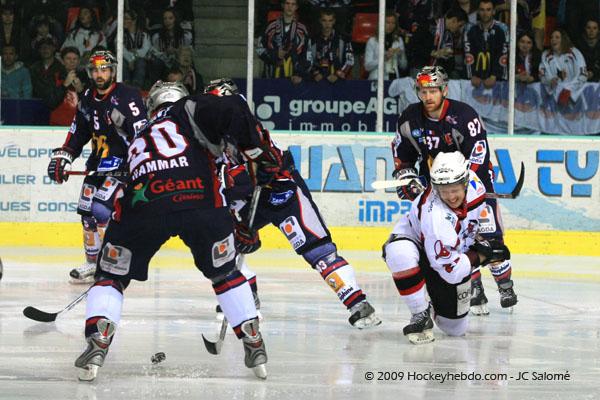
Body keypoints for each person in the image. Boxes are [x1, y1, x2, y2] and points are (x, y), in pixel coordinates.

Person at [71, 80, 276, 381]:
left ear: (152, 106)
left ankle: (99, 337)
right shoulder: (190, 108)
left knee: (111, 276)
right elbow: (232, 108)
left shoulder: (140, 135)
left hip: (145, 205)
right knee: (225, 273)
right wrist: (260, 153)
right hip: (199, 202)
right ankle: (252, 337)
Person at [204, 78, 382, 329]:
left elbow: (271, 161)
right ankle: (244, 296)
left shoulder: (248, 127)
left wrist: (252, 173)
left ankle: (356, 301)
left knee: (318, 250)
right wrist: (238, 223)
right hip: (246, 199)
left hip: (282, 191)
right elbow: (219, 185)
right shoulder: (207, 139)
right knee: (222, 240)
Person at [392, 65, 517, 315]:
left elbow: (479, 156)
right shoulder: (409, 118)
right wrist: (407, 178)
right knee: (456, 242)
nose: (428, 96)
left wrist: (466, 190)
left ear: (444, 90)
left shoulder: (464, 116)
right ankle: (475, 288)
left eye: (433, 90)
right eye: (423, 91)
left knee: (489, 236)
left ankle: (505, 284)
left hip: (472, 184)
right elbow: (402, 155)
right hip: (436, 190)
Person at [383, 151, 510, 344]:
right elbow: (452, 272)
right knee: (399, 254)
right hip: (418, 244)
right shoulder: (436, 218)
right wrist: (480, 256)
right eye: (444, 190)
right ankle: (419, 312)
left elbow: (475, 220)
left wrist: (486, 240)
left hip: (448, 251)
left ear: (465, 181)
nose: (450, 197)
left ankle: (436, 304)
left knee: (455, 329)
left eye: (454, 189)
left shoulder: (476, 185)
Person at [46, 50, 147, 283]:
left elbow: (142, 134)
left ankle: (110, 262)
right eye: (95, 70)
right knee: (87, 214)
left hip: (122, 167)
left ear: (113, 71)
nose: (99, 74)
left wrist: (135, 163)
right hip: (97, 165)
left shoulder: (128, 96)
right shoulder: (87, 98)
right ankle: (93, 264)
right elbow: (78, 132)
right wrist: (65, 155)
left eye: (104, 69)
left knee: (101, 210)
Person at [256, 0, 311, 84]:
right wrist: (275, 54)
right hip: (272, 75)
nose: (290, 7)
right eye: (287, 3)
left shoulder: (302, 29)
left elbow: (308, 54)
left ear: (296, 7)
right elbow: (259, 49)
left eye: (293, 4)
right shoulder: (270, 27)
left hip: (294, 77)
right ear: (282, 5)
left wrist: (300, 73)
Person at [464, 0, 509, 89]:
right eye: (482, 10)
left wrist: (494, 76)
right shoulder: (470, 29)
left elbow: (503, 54)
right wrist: (472, 75)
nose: (485, 13)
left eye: (488, 10)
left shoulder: (502, 29)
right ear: (478, 11)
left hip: (498, 80)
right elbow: (468, 53)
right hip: (475, 79)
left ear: (493, 11)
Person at [539, 28, 588, 106]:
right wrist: (550, 81)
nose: (553, 39)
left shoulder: (575, 52)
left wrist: (569, 89)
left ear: (563, 39)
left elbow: (583, 75)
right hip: (553, 97)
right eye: (551, 37)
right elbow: (542, 75)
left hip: (575, 95)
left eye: (557, 37)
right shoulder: (545, 55)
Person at [309, 9, 354, 83]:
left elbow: (350, 60)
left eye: (330, 21)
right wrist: (315, 73)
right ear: (320, 21)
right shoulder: (313, 40)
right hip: (318, 80)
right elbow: (308, 59)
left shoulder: (344, 38)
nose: (327, 24)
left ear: (334, 21)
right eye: (324, 20)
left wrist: (338, 74)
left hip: (338, 80)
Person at [364, 12, 407, 80]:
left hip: (394, 79)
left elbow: (404, 66)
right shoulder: (372, 41)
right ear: (381, 23)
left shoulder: (399, 40)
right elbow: (367, 67)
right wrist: (384, 58)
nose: (390, 26)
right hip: (376, 78)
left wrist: (401, 55)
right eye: (388, 22)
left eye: (393, 23)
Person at [429, 7, 469, 78]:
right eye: (460, 26)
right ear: (454, 20)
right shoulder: (429, 26)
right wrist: (436, 53)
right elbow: (418, 50)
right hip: (422, 68)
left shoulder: (449, 35)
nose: (459, 29)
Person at [577, 19, 600, 83]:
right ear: (585, 29)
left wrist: (593, 72)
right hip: (581, 79)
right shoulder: (578, 45)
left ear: (598, 30)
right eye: (589, 28)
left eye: (594, 28)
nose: (591, 31)